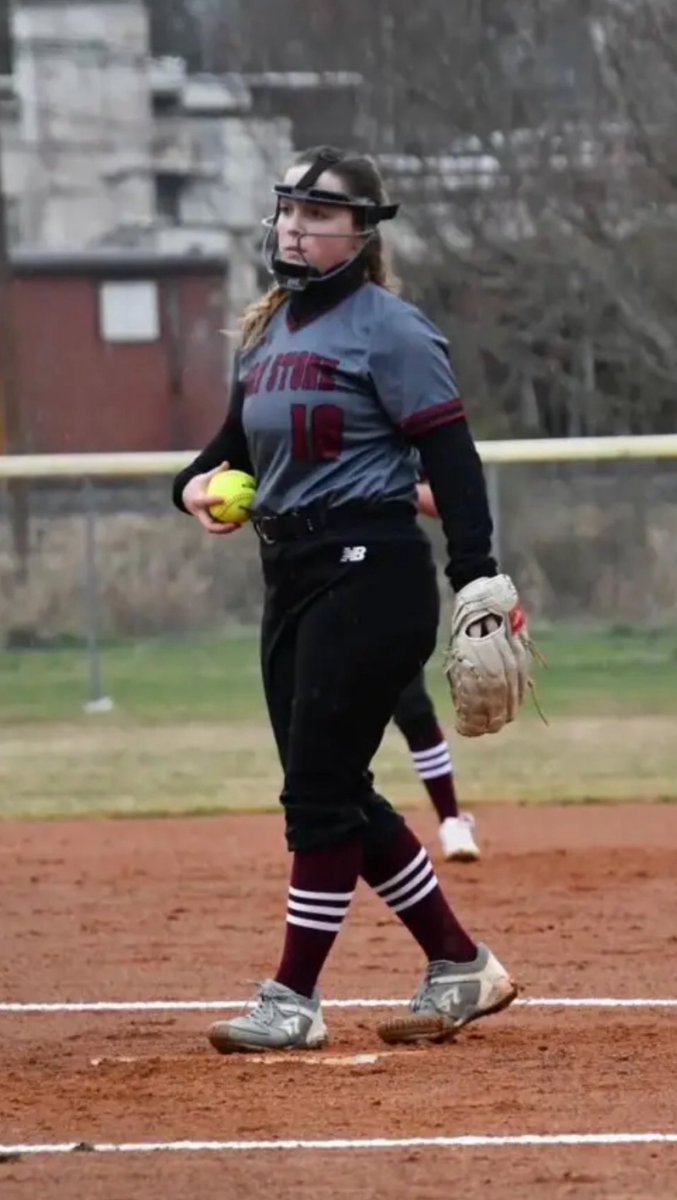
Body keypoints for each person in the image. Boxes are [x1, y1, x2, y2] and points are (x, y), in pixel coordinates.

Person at [172, 145, 518, 1053]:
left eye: (318, 214)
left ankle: (293, 998)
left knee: (317, 790)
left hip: (373, 569)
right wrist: (196, 491)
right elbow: (218, 459)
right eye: (289, 210)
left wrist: (475, 578)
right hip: (291, 576)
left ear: (361, 232)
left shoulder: (389, 328)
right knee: (331, 788)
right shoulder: (269, 334)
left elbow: (452, 460)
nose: (296, 226)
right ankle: (458, 962)